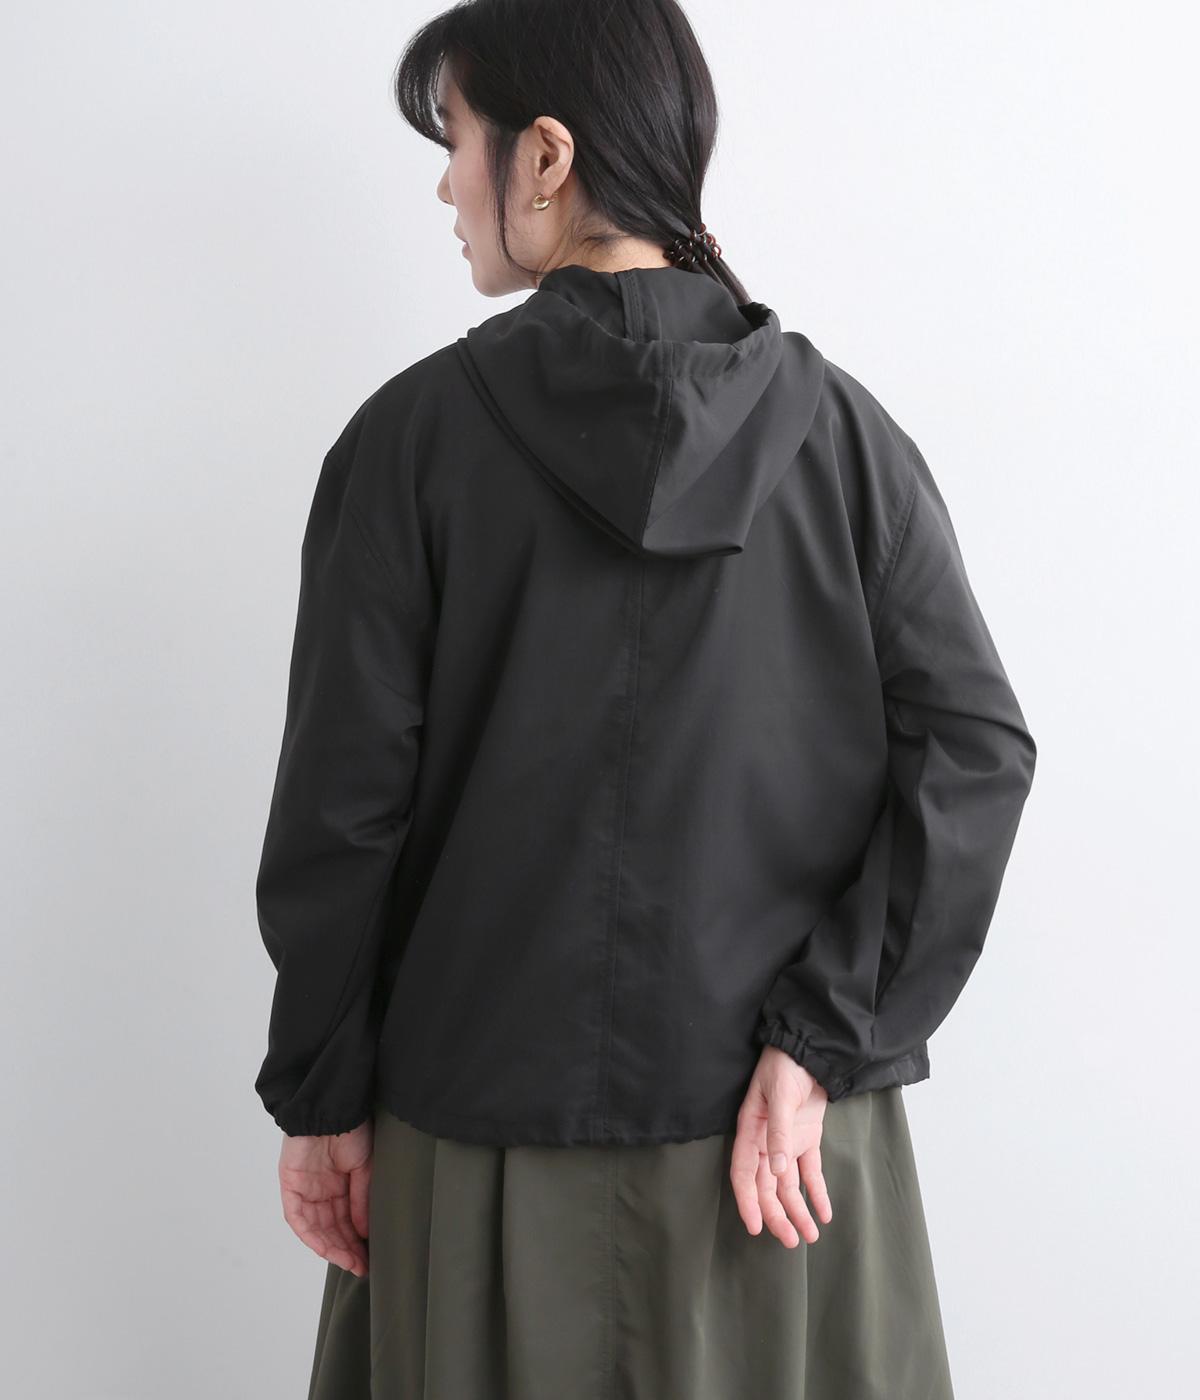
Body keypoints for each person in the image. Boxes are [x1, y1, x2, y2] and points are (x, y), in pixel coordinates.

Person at [252, 2, 1037, 1396]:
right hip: (777, 1159)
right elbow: (974, 750)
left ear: (545, 158)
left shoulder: (411, 443)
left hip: (477, 1161)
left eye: (457, 141)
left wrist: (323, 1096)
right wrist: (820, 1044)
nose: (446, 187)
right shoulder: (844, 439)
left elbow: (345, 809)